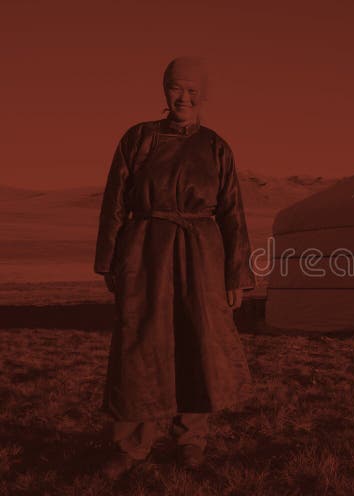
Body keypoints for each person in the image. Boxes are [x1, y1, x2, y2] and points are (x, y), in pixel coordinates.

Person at [93, 56, 255, 478]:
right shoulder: (139, 139)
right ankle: (131, 444)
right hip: (145, 251)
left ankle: (190, 439)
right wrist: (109, 261)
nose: (183, 97)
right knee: (140, 345)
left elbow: (233, 213)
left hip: (201, 254)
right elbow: (114, 202)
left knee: (195, 340)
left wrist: (236, 274)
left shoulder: (216, 146)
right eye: (175, 88)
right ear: (164, 90)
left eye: (191, 89)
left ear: (204, 94)